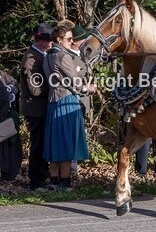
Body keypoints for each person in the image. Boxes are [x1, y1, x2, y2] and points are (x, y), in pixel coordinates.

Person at [42, 20, 94, 191]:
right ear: (58, 39)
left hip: (53, 101)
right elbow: (75, 82)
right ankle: (64, 182)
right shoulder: (63, 56)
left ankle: (54, 181)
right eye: (68, 39)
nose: (71, 42)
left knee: (55, 142)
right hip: (67, 100)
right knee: (66, 142)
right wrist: (89, 88)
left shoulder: (48, 56)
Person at [19, 23, 52, 190]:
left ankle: (43, 177)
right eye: (49, 41)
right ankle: (36, 181)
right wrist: (55, 87)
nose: (51, 44)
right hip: (35, 108)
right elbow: (35, 88)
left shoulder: (40, 56)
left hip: (41, 108)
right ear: (42, 42)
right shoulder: (31, 60)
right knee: (38, 144)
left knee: (42, 143)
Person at [0, 68, 21, 181]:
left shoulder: (2, 74)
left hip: (6, 118)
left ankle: (7, 174)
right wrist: (9, 95)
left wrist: (11, 89)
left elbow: (14, 82)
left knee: (10, 148)